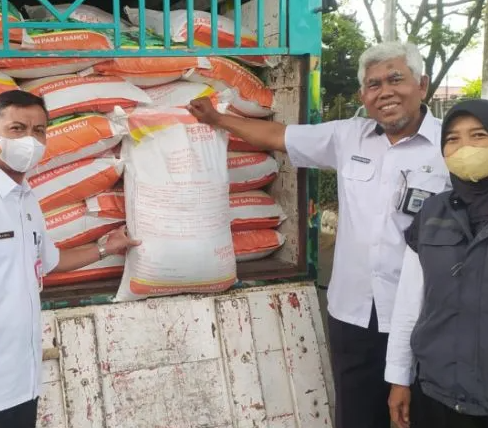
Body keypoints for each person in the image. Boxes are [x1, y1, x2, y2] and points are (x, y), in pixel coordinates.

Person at [188, 41, 451, 428]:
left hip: (421, 314)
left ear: (422, 85)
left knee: (421, 416)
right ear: (363, 95)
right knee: (358, 414)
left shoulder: (451, 145)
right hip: (354, 312)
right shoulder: (348, 136)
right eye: (373, 84)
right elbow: (280, 136)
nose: (385, 91)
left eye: (396, 78)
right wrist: (218, 120)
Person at [0, 90, 141, 428]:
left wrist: (106, 247)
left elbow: (50, 260)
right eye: (17, 129)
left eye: (39, 130)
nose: (30, 140)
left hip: (22, 383)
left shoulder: (27, 200)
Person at [386, 99, 488, 428]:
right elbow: (410, 303)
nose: (465, 148)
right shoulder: (432, 213)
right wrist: (399, 378)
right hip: (437, 391)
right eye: (453, 139)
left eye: (479, 136)